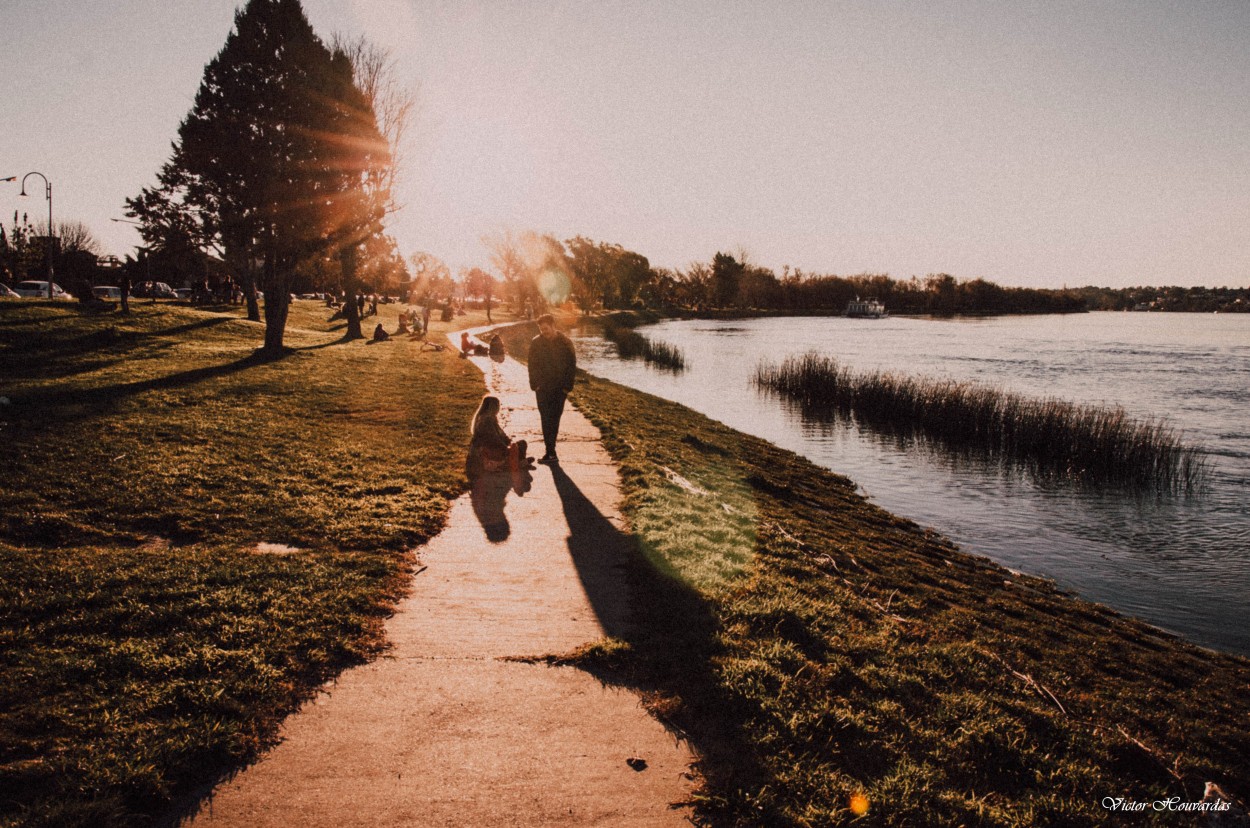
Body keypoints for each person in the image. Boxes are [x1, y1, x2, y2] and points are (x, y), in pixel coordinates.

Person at [528, 314, 576, 465]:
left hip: (559, 389)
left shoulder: (566, 342)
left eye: (546, 329)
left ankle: (551, 451)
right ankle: (550, 451)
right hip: (542, 388)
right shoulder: (536, 343)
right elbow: (531, 365)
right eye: (541, 330)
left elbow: (571, 366)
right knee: (545, 418)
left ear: (553, 325)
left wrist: (567, 387)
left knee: (554, 419)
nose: (544, 332)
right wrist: (534, 385)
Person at [466, 395, 531, 480]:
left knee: (520, 444)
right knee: (520, 445)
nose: (499, 408)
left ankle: (520, 461)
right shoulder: (486, 421)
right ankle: (518, 462)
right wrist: (506, 447)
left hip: (492, 447)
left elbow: (501, 435)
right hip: (489, 450)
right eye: (498, 406)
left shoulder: (488, 418)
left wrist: (507, 441)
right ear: (493, 407)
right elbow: (494, 439)